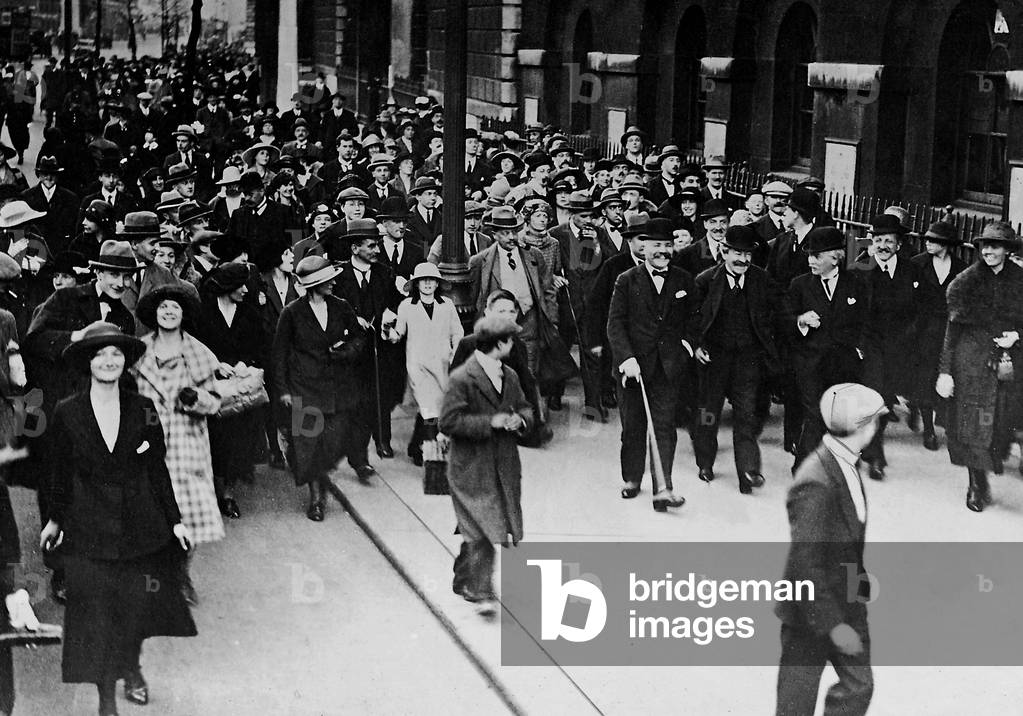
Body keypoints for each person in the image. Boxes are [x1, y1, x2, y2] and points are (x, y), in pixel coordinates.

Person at [40, 321, 195, 716]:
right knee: (96, 617)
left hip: (140, 527)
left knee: (135, 607)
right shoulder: (66, 412)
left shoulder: (143, 408)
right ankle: (106, 698)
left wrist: (175, 520)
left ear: (125, 361)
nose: (109, 361)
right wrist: (55, 521)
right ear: (88, 363)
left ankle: (133, 666)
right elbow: (57, 474)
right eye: (100, 354)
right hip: (88, 528)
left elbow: (157, 469)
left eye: (116, 353)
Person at [775, 382, 883, 716]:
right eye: (875, 421)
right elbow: (805, 565)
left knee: (859, 685)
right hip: (810, 614)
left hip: (846, 601)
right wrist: (835, 626)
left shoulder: (846, 462)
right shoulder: (816, 481)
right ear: (862, 427)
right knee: (795, 707)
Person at [131, 284, 224, 607]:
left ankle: (181, 576)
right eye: (163, 307)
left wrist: (196, 399)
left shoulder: (197, 353)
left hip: (186, 440)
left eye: (175, 307)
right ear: (154, 315)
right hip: (148, 441)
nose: (168, 312)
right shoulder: (138, 352)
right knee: (151, 510)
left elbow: (216, 402)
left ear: (184, 314)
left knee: (187, 511)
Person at [439, 315, 533, 617]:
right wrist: (489, 422)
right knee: (485, 527)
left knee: (489, 525)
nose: (514, 344)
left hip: (502, 464)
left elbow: (524, 407)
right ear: (501, 343)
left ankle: (465, 578)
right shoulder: (462, 379)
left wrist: (521, 420)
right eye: (511, 339)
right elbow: (448, 421)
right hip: (471, 467)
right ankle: (482, 591)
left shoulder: (509, 375)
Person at [607, 222, 695, 512]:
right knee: (633, 426)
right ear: (644, 247)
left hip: (669, 367)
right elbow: (615, 324)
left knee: (664, 427)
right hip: (634, 368)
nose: (663, 251)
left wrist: (686, 347)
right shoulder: (626, 280)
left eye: (668, 245)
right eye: (657, 246)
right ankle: (632, 478)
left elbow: (696, 319)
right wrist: (626, 359)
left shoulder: (684, 280)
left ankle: (663, 487)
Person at [936, 222, 1023, 512]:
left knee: (999, 422)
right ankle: (975, 482)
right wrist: (945, 372)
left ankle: (988, 469)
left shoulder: (1020, 280)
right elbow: (952, 332)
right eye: (984, 246)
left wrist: (1018, 336)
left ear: (1008, 251)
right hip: (971, 364)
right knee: (974, 424)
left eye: (995, 246)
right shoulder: (965, 283)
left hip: (1009, 365)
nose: (988, 251)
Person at [272, 256, 366, 520]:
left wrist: (346, 351)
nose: (334, 283)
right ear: (315, 285)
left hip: (338, 389)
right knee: (308, 445)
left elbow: (359, 337)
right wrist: (284, 391)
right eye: (327, 281)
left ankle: (317, 478)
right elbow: (279, 353)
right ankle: (316, 499)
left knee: (332, 444)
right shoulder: (292, 312)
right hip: (304, 388)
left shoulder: (342, 307)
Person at [691, 224, 780, 493]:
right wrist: (696, 346)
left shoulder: (762, 280)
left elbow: (780, 310)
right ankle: (705, 462)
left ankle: (748, 471)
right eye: (737, 253)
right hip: (714, 360)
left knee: (746, 415)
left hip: (748, 362)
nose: (743, 260)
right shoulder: (705, 281)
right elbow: (691, 320)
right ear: (723, 251)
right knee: (708, 413)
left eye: (748, 254)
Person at [785, 227, 873, 470]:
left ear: (835, 258)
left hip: (844, 364)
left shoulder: (856, 284)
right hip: (811, 362)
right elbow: (784, 318)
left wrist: (859, 350)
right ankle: (803, 466)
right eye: (810, 255)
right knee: (814, 413)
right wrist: (801, 320)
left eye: (817, 256)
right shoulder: (800, 285)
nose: (811, 261)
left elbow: (866, 321)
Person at [195, 262, 267, 519]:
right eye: (241, 286)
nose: (246, 290)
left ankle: (227, 494)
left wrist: (246, 363)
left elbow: (260, 347)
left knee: (237, 442)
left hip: (240, 389)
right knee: (215, 440)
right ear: (227, 288)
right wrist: (215, 365)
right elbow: (194, 347)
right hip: (210, 387)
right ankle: (213, 489)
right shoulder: (203, 313)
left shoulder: (250, 314)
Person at [385, 263, 463, 468]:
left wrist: (456, 350)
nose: (428, 283)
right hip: (418, 367)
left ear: (438, 283)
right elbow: (397, 335)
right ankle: (433, 460)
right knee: (430, 410)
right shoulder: (406, 306)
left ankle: (414, 446)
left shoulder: (447, 305)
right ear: (416, 283)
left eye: (432, 280)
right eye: (423, 280)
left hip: (443, 366)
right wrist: (387, 329)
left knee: (434, 408)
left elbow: (458, 331)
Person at [910, 221, 967, 451]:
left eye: (933, 240)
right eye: (927, 239)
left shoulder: (961, 268)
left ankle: (945, 422)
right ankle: (929, 430)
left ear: (946, 245)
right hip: (923, 329)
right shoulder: (917, 264)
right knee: (924, 375)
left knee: (948, 374)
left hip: (949, 328)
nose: (928, 243)